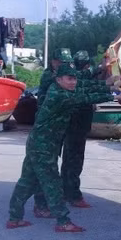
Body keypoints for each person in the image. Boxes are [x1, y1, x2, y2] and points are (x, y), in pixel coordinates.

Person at [7, 64, 116, 233]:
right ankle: (63, 221)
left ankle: (14, 218)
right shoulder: (60, 95)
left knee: (27, 181)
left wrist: (109, 85)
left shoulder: (58, 89)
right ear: (59, 80)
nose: (73, 82)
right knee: (52, 183)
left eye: (74, 79)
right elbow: (85, 97)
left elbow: (83, 88)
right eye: (69, 79)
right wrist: (115, 94)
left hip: (38, 143)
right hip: (44, 146)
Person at [33, 48, 74, 217]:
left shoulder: (61, 75)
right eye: (61, 62)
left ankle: (51, 200)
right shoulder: (50, 77)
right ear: (54, 61)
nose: (63, 65)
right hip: (46, 129)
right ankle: (40, 204)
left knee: (51, 165)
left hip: (55, 127)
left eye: (66, 62)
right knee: (44, 168)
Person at [60, 50, 103, 208]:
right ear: (85, 64)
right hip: (77, 127)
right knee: (75, 162)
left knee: (67, 160)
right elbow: (96, 71)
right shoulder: (80, 77)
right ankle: (74, 195)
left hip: (71, 126)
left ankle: (64, 192)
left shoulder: (71, 77)